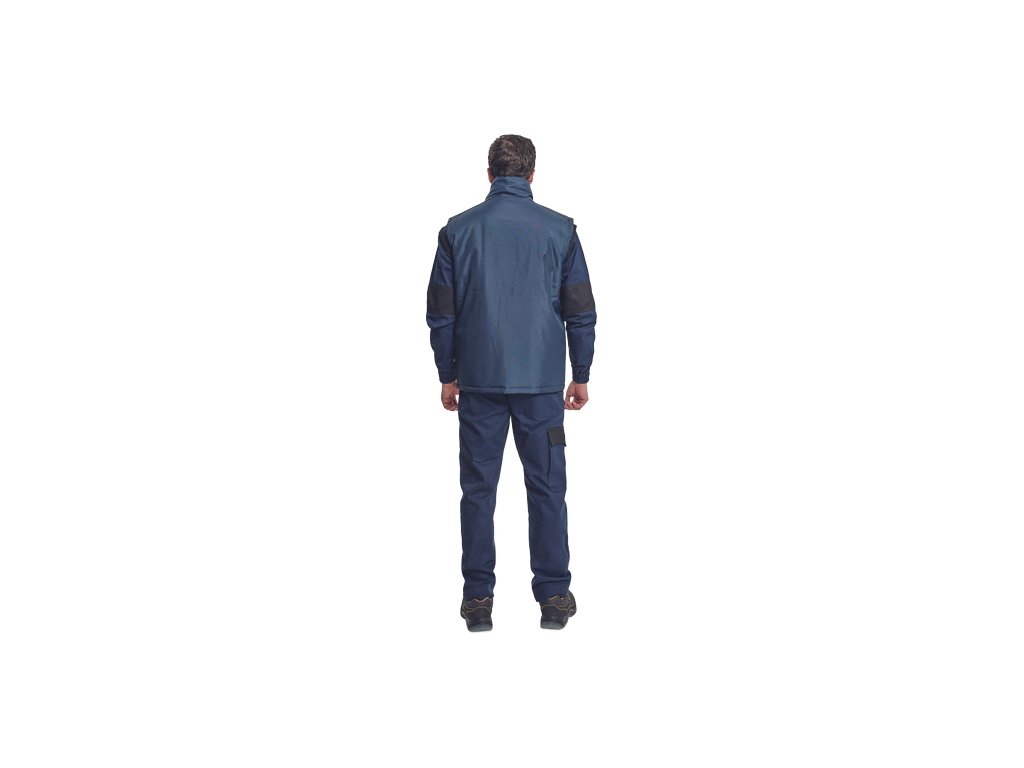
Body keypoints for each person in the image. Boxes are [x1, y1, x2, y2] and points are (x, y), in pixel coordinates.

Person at [425, 134, 597, 631]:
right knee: (547, 488)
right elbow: (580, 309)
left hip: (478, 380)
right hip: (541, 383)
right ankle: (554, 596)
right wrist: (581, 374)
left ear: (489, 174)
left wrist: (447, 375)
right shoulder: (561, 230)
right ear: (532, 175)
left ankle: (478, 599)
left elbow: (441, 312)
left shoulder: (457, 230)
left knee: (478, 491)